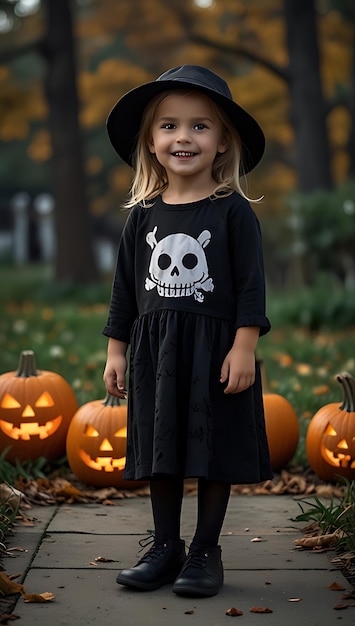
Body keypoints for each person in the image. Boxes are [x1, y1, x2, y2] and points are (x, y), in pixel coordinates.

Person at [103, 64, 272, 598]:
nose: (184, 137)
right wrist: (115, 351)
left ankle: (205, 550)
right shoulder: (143, 216)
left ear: (222, 142)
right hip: (158, 353)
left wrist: (245, 346)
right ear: (152, 143)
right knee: (163, 447)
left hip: (216, 352)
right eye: (169, 126)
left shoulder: (232, 213)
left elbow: (250, 286)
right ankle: (166, 546)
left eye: (200, 126)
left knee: (212, 447)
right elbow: (125, 290)